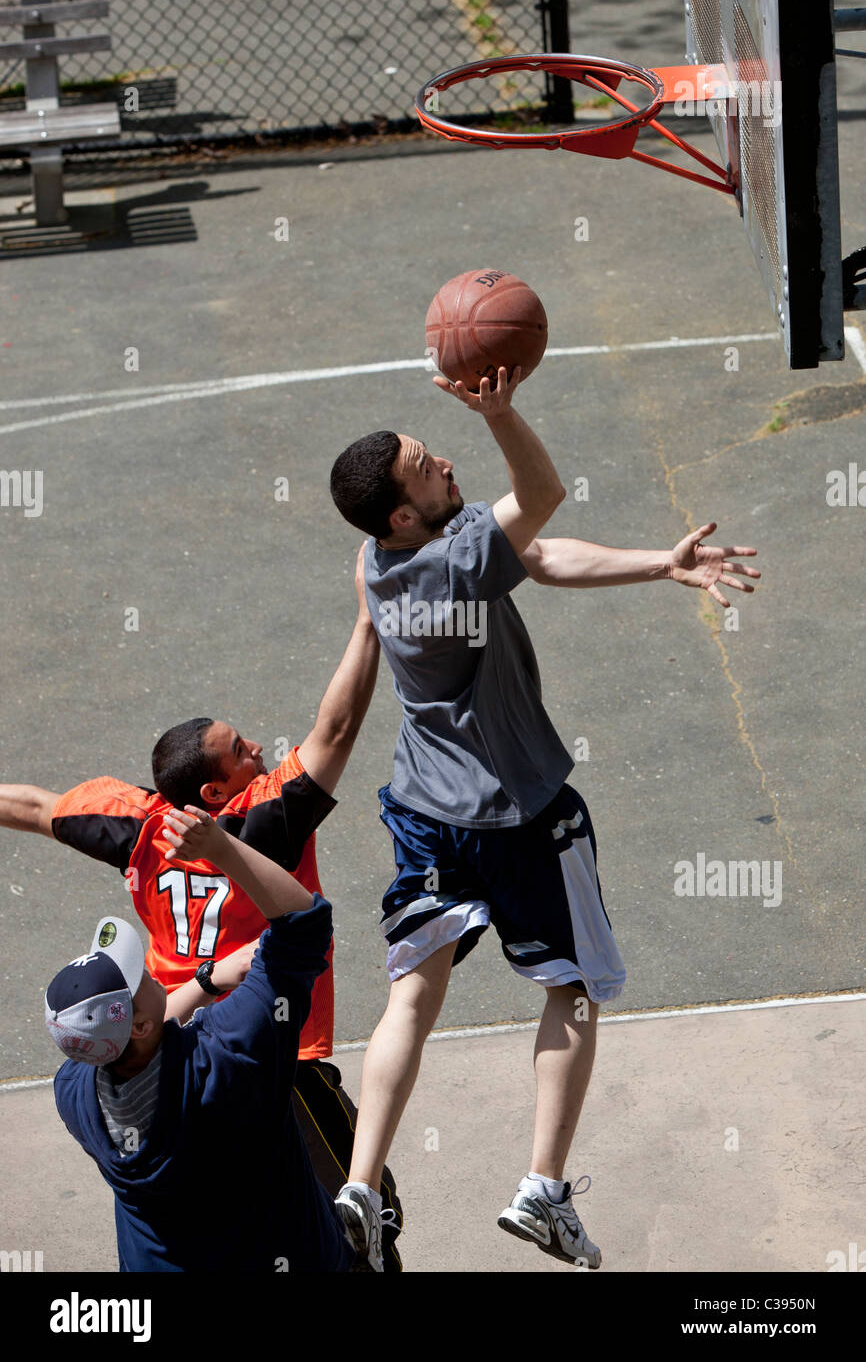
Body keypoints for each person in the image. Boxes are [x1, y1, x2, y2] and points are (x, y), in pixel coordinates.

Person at [328, 365, 761, 1270]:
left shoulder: (376, 559)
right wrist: (500, 413)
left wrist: (658, 562)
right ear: (403, 512)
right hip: (519, 813)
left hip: (420, 806)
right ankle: (543, 1191)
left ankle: (360, 1187)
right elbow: (543, 498)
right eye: (425, 465)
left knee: (414, 991)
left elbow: (533, 553)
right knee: (571, 986)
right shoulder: (451, 558)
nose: (444, 461)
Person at [2, 552, 403, 1268]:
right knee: (367, 1215)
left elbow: (32, 807)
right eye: (244, 752)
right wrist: (369, 621)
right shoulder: (267, 820)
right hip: (275, 1053)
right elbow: (336, 732)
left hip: (178, 1044)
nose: (260, 751)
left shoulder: (133, 826)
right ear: (215, 797)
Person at [46, 805, 355, 1272]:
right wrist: (219, 849)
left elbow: (142, 1035)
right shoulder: (230, 1053)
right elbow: (303, 923)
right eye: (139, 977)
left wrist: (206, 981)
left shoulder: (73, 1091)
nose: (150, 971)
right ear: (140, 1027)